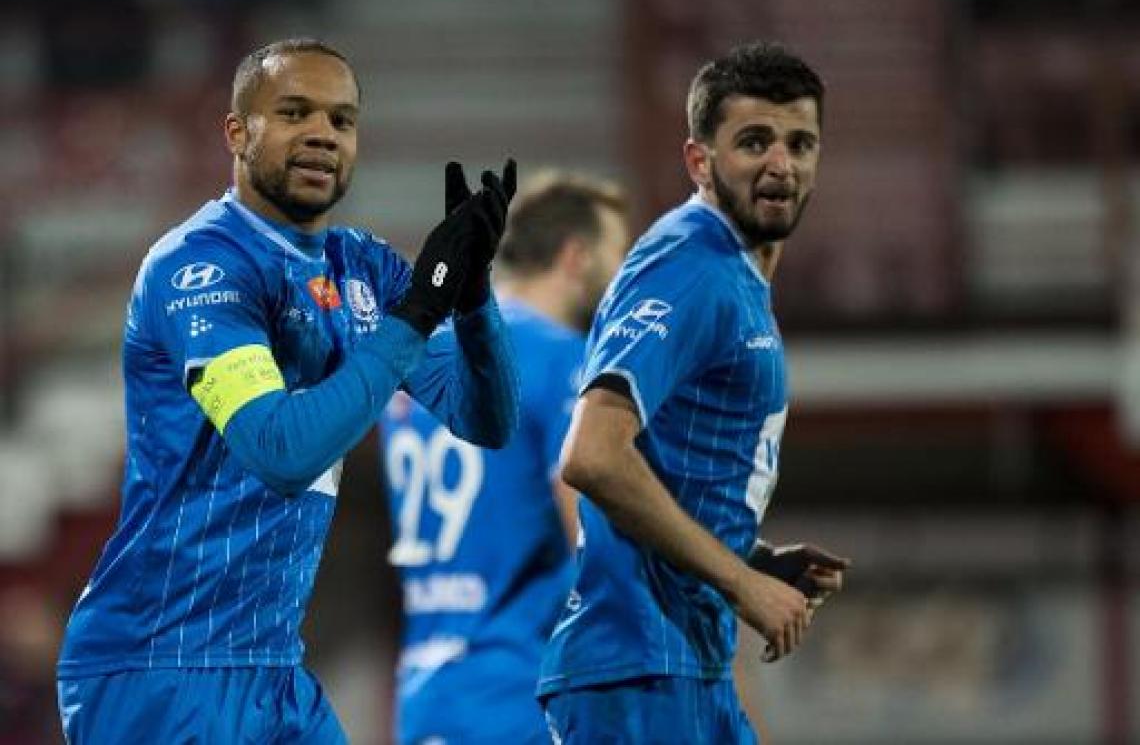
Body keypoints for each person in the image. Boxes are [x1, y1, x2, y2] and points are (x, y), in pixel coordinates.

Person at [55, 37, 520, 744]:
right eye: (295, 112)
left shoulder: (363, 268)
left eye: (342, 119)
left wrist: (473, 295)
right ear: (237, 132)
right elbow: (281, 452)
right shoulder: (201, 265)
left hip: (274, 669)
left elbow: (485, 418)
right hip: (161, 664)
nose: (323, 134)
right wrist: (420, 310)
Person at [537, 41, 851, 743]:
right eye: (755, 142)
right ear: (699, 161)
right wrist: (743, 584)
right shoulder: (689, 263)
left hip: (685, 658)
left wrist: (751, 554)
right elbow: (592, 454)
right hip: (638, 667)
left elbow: (666, 463)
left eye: (801, 143)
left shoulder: (732, 272)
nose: (782, 164)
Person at [381, 171, 630, 744]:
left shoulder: (419, 362)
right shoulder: (562, 357)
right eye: (616, 257)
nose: (622, 278)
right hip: (521, 693)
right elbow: (596, 544)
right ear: (576, 256)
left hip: (424, 694)